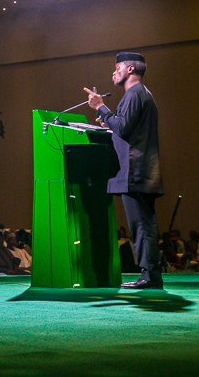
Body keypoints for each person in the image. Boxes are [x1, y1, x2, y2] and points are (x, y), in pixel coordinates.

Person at [86, 51, 163, 290]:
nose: (113, 73)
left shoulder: (134, 94)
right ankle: (151, 276)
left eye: (117, 68)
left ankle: (149, 277)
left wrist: (101, 107)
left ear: (130, 69)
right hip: (142, 170)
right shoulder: (142, 94)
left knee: (141, 227)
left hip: (134, 170)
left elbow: (123, 128)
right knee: (144, 226)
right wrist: (109, 120)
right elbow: (124, 127)